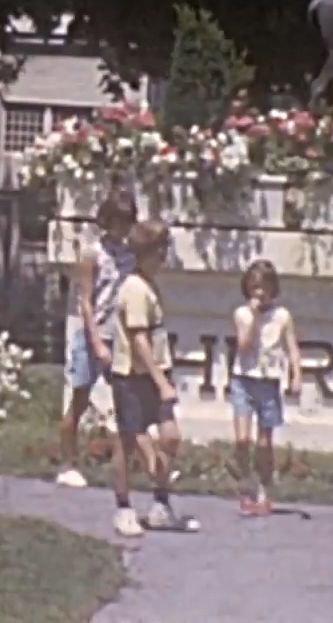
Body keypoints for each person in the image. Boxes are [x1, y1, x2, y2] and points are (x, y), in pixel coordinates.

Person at [109, 220, 197, 536]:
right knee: (127, 441)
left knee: (170, 436)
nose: (164, 257)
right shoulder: (134, 288)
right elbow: (139, 340)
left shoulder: (148, 286)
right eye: (160, 250)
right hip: (132, 376)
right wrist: (161, 381)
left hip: (156, 371)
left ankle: (161, 503)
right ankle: (123, 507)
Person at [57, 188, 137, 488]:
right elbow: (86, 301)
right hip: (94, 333)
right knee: (79, 397)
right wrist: (97, 341)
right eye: (118, 221)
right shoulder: (93, 253)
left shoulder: (130, 255)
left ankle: (127, 463)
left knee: (127, 403)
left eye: (127, 222)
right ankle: (67, 462)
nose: (122, 228)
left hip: (120, 335)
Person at [228, 259, 302, 515]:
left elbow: (292, 348)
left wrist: (296, 376)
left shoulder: (282, 316)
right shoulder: (242, 314)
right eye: (253, 287)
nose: (259, 293)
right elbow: (244, 346)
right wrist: (253, 319)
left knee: (263, 443)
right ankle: (245, 484)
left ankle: (264, 489)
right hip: (244, 379)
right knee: (242, 439)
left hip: (268, 381)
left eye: (263, 287)